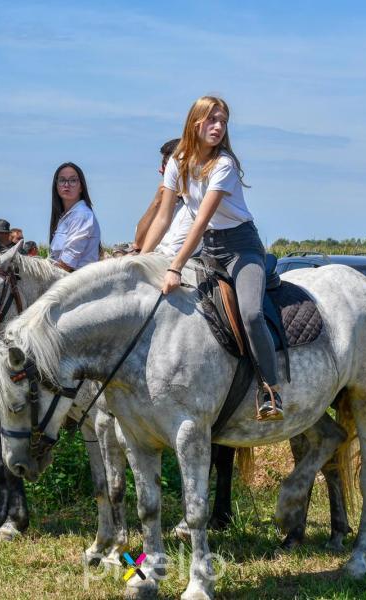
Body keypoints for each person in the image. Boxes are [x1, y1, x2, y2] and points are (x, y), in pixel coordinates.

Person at [140, 96, 282, 421]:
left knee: (250, 314)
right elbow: (162, 219)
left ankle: (270, 391)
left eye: (223, 121)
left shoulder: (225, 164)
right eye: (212, 120)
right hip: (208, 249)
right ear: (195, 122)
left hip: (241, 248)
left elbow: (201, 219)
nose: (218, 127)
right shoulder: (177, 162)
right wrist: (140, 260)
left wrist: (175, 266)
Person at [133, 138, 201, 258]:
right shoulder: (166, 202)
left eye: (165, 166)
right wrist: (156, 202)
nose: (160, 170)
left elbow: (172, 252)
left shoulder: (194, 206)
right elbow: (139, 243)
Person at [48, 162, 101, 272]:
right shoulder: (64, 217)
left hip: (77, 283)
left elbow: (67, 263)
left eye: (72, 180)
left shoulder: (82, 215)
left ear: (81, 187)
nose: (66, 185)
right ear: (56, 186)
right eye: (62, 180)